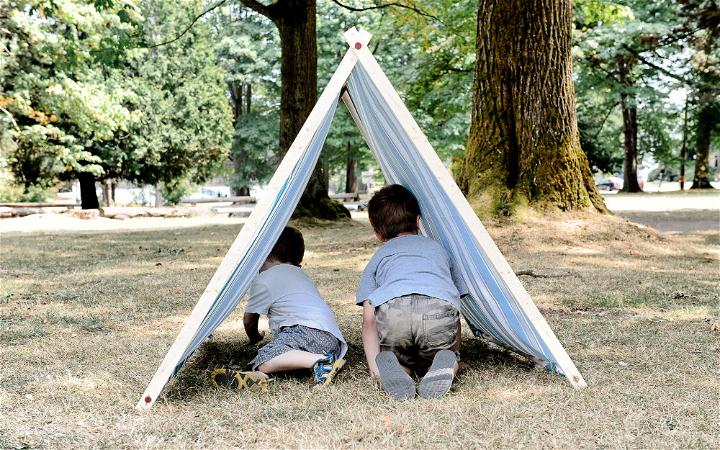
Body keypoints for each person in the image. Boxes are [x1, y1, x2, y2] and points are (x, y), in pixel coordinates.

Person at [357, 184, 464, 400]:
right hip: (438, 311)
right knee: (443, 352)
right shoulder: (438, 249)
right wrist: (456, 351)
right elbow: (454, 300)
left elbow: (369, 320)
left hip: (395, 315)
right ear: (418, 221)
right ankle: (447, 363)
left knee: (399, 359)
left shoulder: (379, 257)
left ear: (377, 233)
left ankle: (393, 371)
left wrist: (372, 367)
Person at [211, 226, 347, 390]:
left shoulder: (264, 279)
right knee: (284, 361)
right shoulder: (301, 274)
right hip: (332, 340)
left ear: (263, 255)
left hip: (305, 331)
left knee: (266, 356)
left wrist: (254, 338)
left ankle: (320, 362)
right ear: (297, 260)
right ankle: (260, 377)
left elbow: (249, 321)